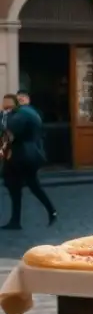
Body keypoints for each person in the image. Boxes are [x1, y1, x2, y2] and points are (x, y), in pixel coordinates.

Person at [2, 91, 57, 229]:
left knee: (21, 186)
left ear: (28, 100)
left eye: (22, 99)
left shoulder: (23, 113)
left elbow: (11, 131)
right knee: (25, 185)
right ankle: (50, 212)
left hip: (22, 156)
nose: (19, 101)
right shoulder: (29, 113)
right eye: (18, 99)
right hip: (26, 155)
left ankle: (50, 212)